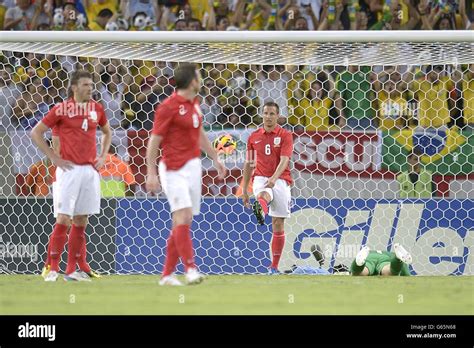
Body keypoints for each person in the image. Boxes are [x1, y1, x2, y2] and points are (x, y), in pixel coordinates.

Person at [146, 63, 226, 286]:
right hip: (173, 168)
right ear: (192, 81)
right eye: (199, 76)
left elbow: (198, 132)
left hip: (193, 166)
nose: (200, 79)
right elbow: (154, 141)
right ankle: (190, 269)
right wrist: (151, 173)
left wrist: (215, 157)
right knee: (182, 216)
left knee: (183, 220)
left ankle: (167, 275)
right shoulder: (168, 107)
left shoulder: (194, 103)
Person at [31, 69, 112, 282]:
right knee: (64, 218)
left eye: (92, 85)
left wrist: (103, 156)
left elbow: (107, 132)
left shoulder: (97, 108)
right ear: (74, 87)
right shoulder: (62, 109)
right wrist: (53, 157)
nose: (90, 89)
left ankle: (71, 270)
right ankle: (53, 268)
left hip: (89, 171)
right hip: (68, 170)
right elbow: (36, 132)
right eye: (86, 85)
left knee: (81, 219)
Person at [241, 101, 293, 274]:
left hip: (281, 178)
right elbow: (248, 163)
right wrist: (244, 190)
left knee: (278, 223)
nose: (268, 117)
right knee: (263, 193)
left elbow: (285, 159)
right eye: (265, 113)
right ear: (261, 115)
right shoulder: (253, 136)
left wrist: (275, 178)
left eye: (272, 114)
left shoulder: (285, 135)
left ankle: (274, 267)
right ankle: (261, 208)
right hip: (261, 177)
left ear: (278, 116)